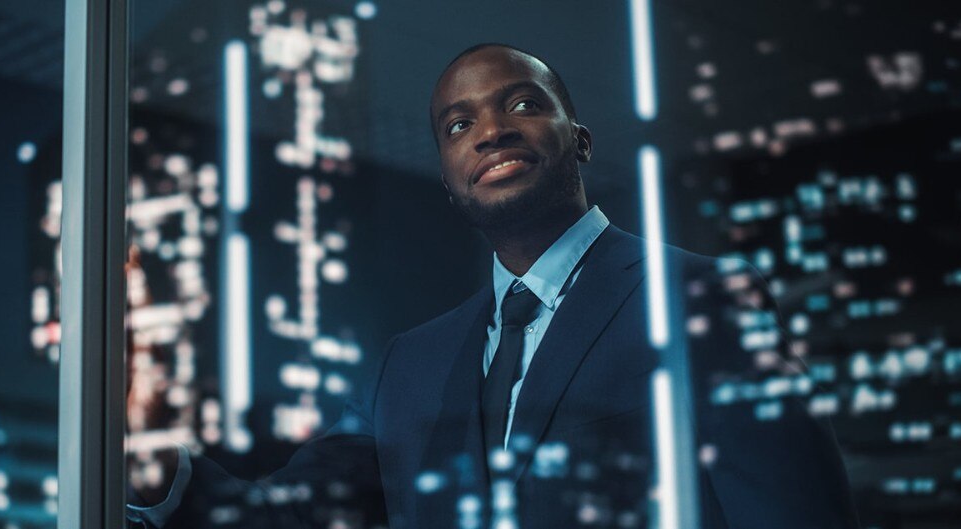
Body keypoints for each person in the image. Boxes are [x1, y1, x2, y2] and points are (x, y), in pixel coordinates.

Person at [126, 43, 857, 528]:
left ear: (580, 138)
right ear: (448, 181)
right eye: (457, 125)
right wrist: (153, 446)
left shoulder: (704, 301)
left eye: (524, 104)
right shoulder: (405, 367)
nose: (491, 130)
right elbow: (275, 520)